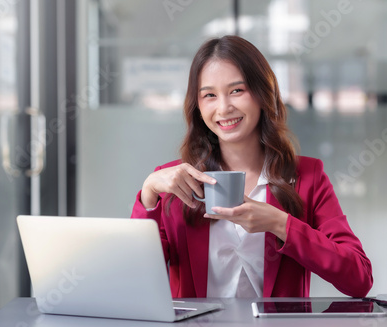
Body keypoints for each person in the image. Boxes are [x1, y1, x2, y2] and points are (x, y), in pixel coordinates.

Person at [131, 35, 373, 298]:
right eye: (209, 95)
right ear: (198, 106)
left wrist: (281, 224)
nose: (224, 108)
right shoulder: (174, 183)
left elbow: (358, 278)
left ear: (261, 94)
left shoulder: (307, 177)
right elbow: (133, 277)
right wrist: (148, 194)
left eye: (237, 90)